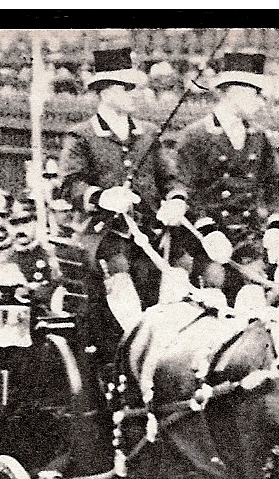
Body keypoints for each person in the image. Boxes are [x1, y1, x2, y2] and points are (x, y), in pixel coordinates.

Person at [57, 47, 185, 365]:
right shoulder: (81, 136)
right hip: (104, 234)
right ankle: (142, 346)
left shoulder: (148, 135)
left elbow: (171, 179)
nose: (134, 94)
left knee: (182, 261)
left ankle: (172, 338)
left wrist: (176, 201)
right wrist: (102, 197)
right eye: (127, 88)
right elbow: (70, 185)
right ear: (105, 90)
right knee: (117, 266)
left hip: (150, 233)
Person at [173, 52, 279, 304]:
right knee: (213, 293)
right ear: (234, 91)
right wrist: (207, 230)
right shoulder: (196, 136)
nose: (260, 101)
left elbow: (277, 186)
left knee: (256, 297)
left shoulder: (260, 137)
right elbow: (183, 187)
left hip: (248, 241)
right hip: (205, 242)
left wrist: (277, 226)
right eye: (255, 93)